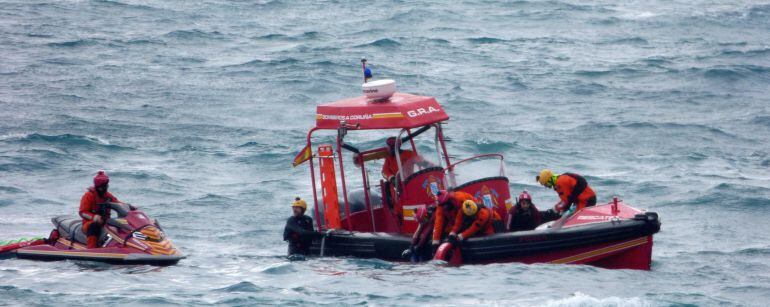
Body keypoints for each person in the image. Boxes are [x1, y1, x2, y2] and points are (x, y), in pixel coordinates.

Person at [79, 170, 120, 248]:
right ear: (98, 187)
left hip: (106, 221)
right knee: (94, 226)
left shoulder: (107, 195)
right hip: (89, 223)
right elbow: (83, 212)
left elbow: (118, 203)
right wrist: (94, 217)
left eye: (106, 185)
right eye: (103, 186)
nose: (105, 188)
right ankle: (91, 249)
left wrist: (129, 207)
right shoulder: (89, 196)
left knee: (120, 225)